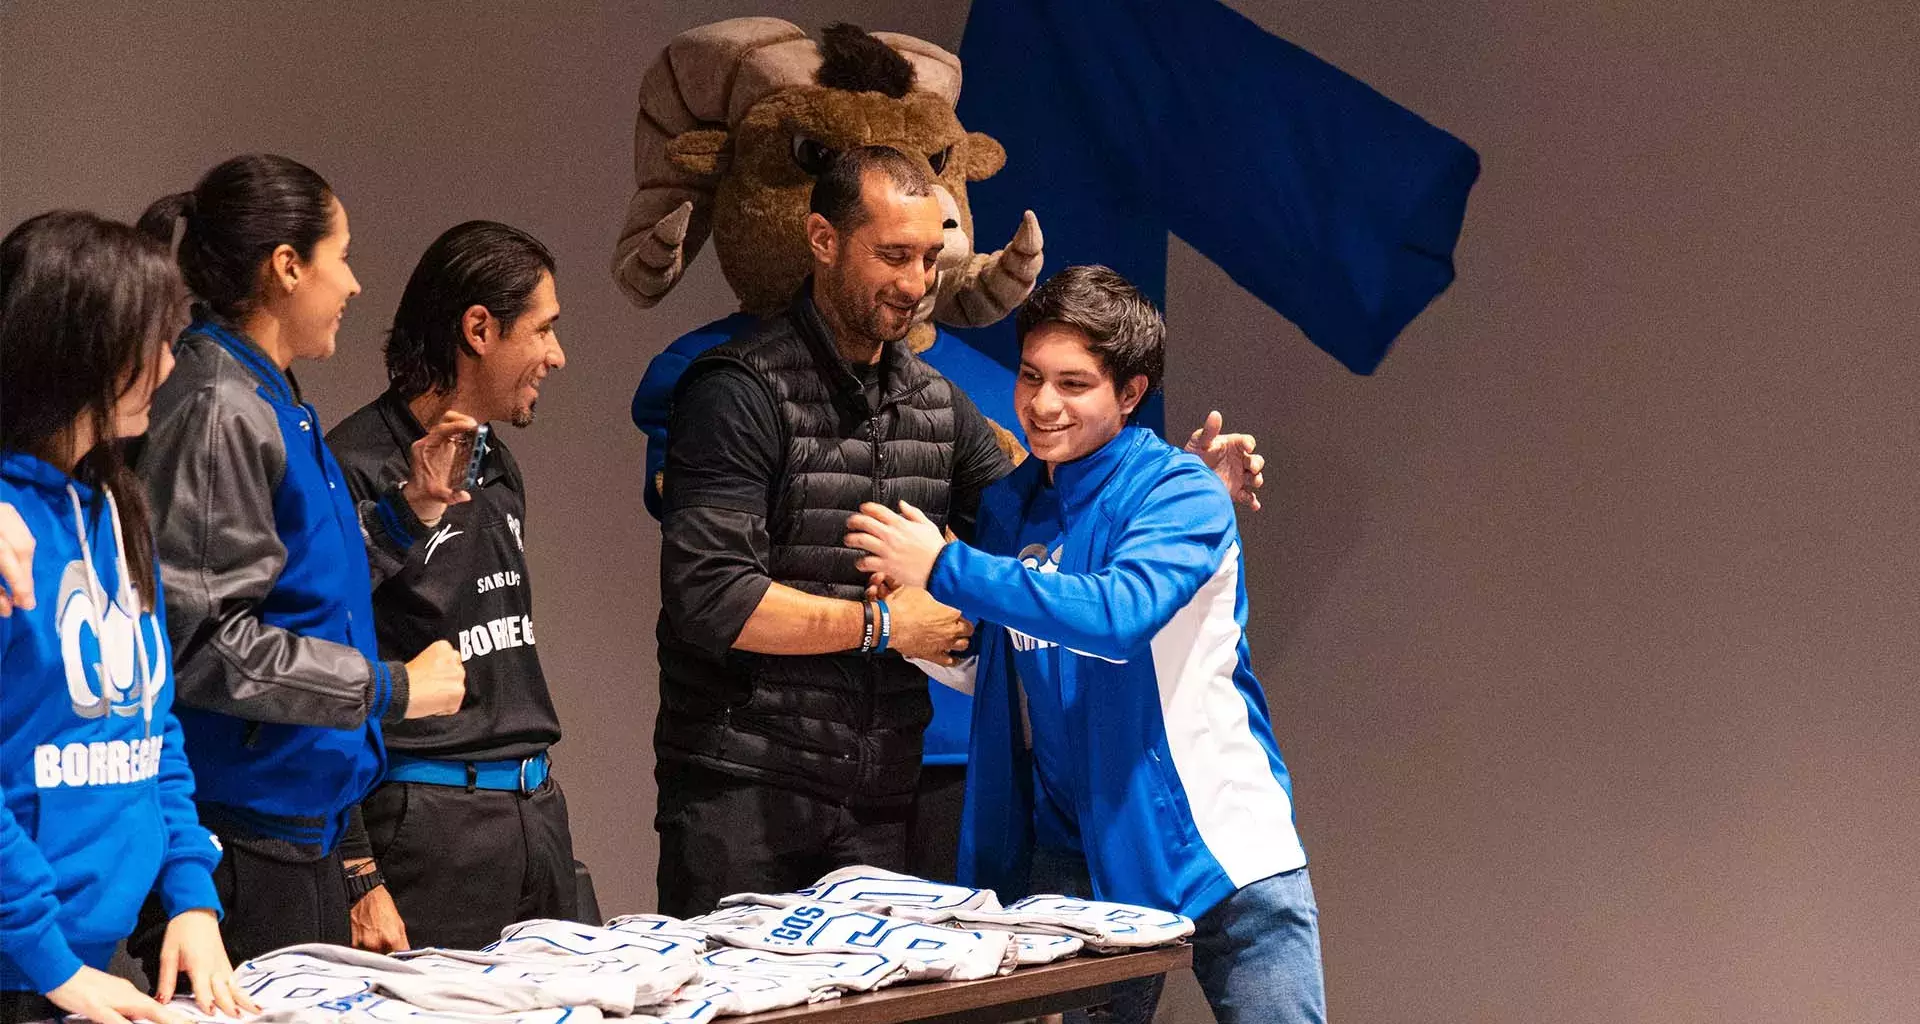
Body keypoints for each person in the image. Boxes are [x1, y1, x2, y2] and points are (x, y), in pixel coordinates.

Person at [653, 146, 1266, 917]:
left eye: (930, 258)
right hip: (743, 790)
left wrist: (1169, 487)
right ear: (822, 239)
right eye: (893, 256)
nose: (916, 284)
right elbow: (711, 599)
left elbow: (1047, 509)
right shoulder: (737, 390)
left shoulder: (936, 403)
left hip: (882, 796)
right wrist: (883, 625)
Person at [845, 265, 1325, 1023]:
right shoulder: (1010, 506)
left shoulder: (1182, 490)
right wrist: (920, 628)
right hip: (1083, 863)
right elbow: (1022, 660)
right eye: (1031, 376)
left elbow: (1115, 619)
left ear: (1130, 394)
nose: (1042, 404)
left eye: (1074, 384)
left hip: (1224, 854)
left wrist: (944, 564)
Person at [128, 155, 470, 968]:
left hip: (295, 832)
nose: (353, 285)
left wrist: (401, 516)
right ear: (287, 267)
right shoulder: (219, 405)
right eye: (340, 256)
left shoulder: (269, 397)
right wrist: (393, 689)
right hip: (242, 844)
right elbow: (203, 645)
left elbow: (295, 585)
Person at [0, 211, 254, 1024]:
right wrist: (44, 958)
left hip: (83, 956)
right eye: (154, 339)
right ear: (82, 346)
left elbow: (150, 729)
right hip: (26, 965)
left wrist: (191, 895)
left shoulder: (115, 502)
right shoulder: (6, 524)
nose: (171, 363)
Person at [327, 220, 576, 952]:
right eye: (544, 330)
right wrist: (359, 872)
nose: (557, 356)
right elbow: (321, 674)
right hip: (429, 832)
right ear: (478, 329)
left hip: (535, 813)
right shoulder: (355, 465)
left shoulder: (499, 463)